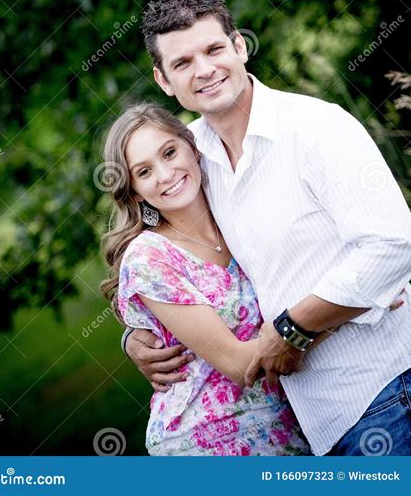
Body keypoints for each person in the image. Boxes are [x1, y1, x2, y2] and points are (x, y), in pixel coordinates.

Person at [123, 0, 411, 456]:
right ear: (163, 80)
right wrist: (139, 334)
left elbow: (395, 245)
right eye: (182, 63)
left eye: (214, 49)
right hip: (306, 419)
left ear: (239, 46)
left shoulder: (317, 127)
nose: (204, 70)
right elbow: (170, 258)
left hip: (382, 390)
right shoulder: (189, 157)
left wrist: (291, 330)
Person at [101, 102, 313, 455]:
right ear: (135, 191)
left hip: (291, 426)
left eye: (169, 152)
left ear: (192, 146)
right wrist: (339, 310)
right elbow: (238, 363)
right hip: (209, 442)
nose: (166, 174)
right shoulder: (149, 258)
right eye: (145, 171)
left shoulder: (237, 209)